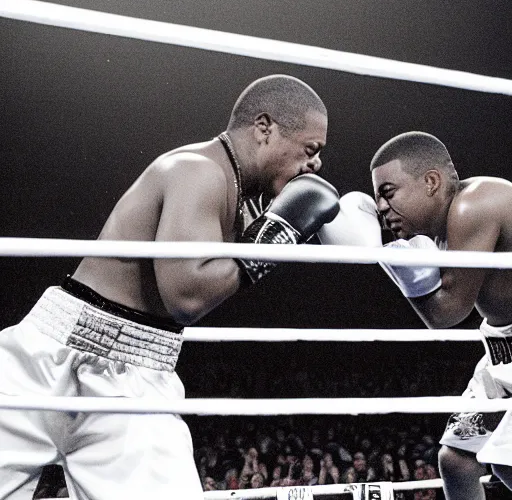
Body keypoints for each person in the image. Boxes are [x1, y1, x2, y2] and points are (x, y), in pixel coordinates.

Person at [0, 74, 340, 500]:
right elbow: (187, 294)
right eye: (311, 149)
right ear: (264, 128)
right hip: (51, 358)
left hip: (134, 372)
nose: (316, 165)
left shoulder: (234, 191)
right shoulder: (197, 171)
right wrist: (273, 238)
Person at [368, 131, 512, 500]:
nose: (381, 208)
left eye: (388, 193)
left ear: (431, 182)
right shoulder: (443, 230)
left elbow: (446, 313)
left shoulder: (472, 206)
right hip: (501, 352)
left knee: (500, 462)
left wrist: (394, 261)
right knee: (457, 461)